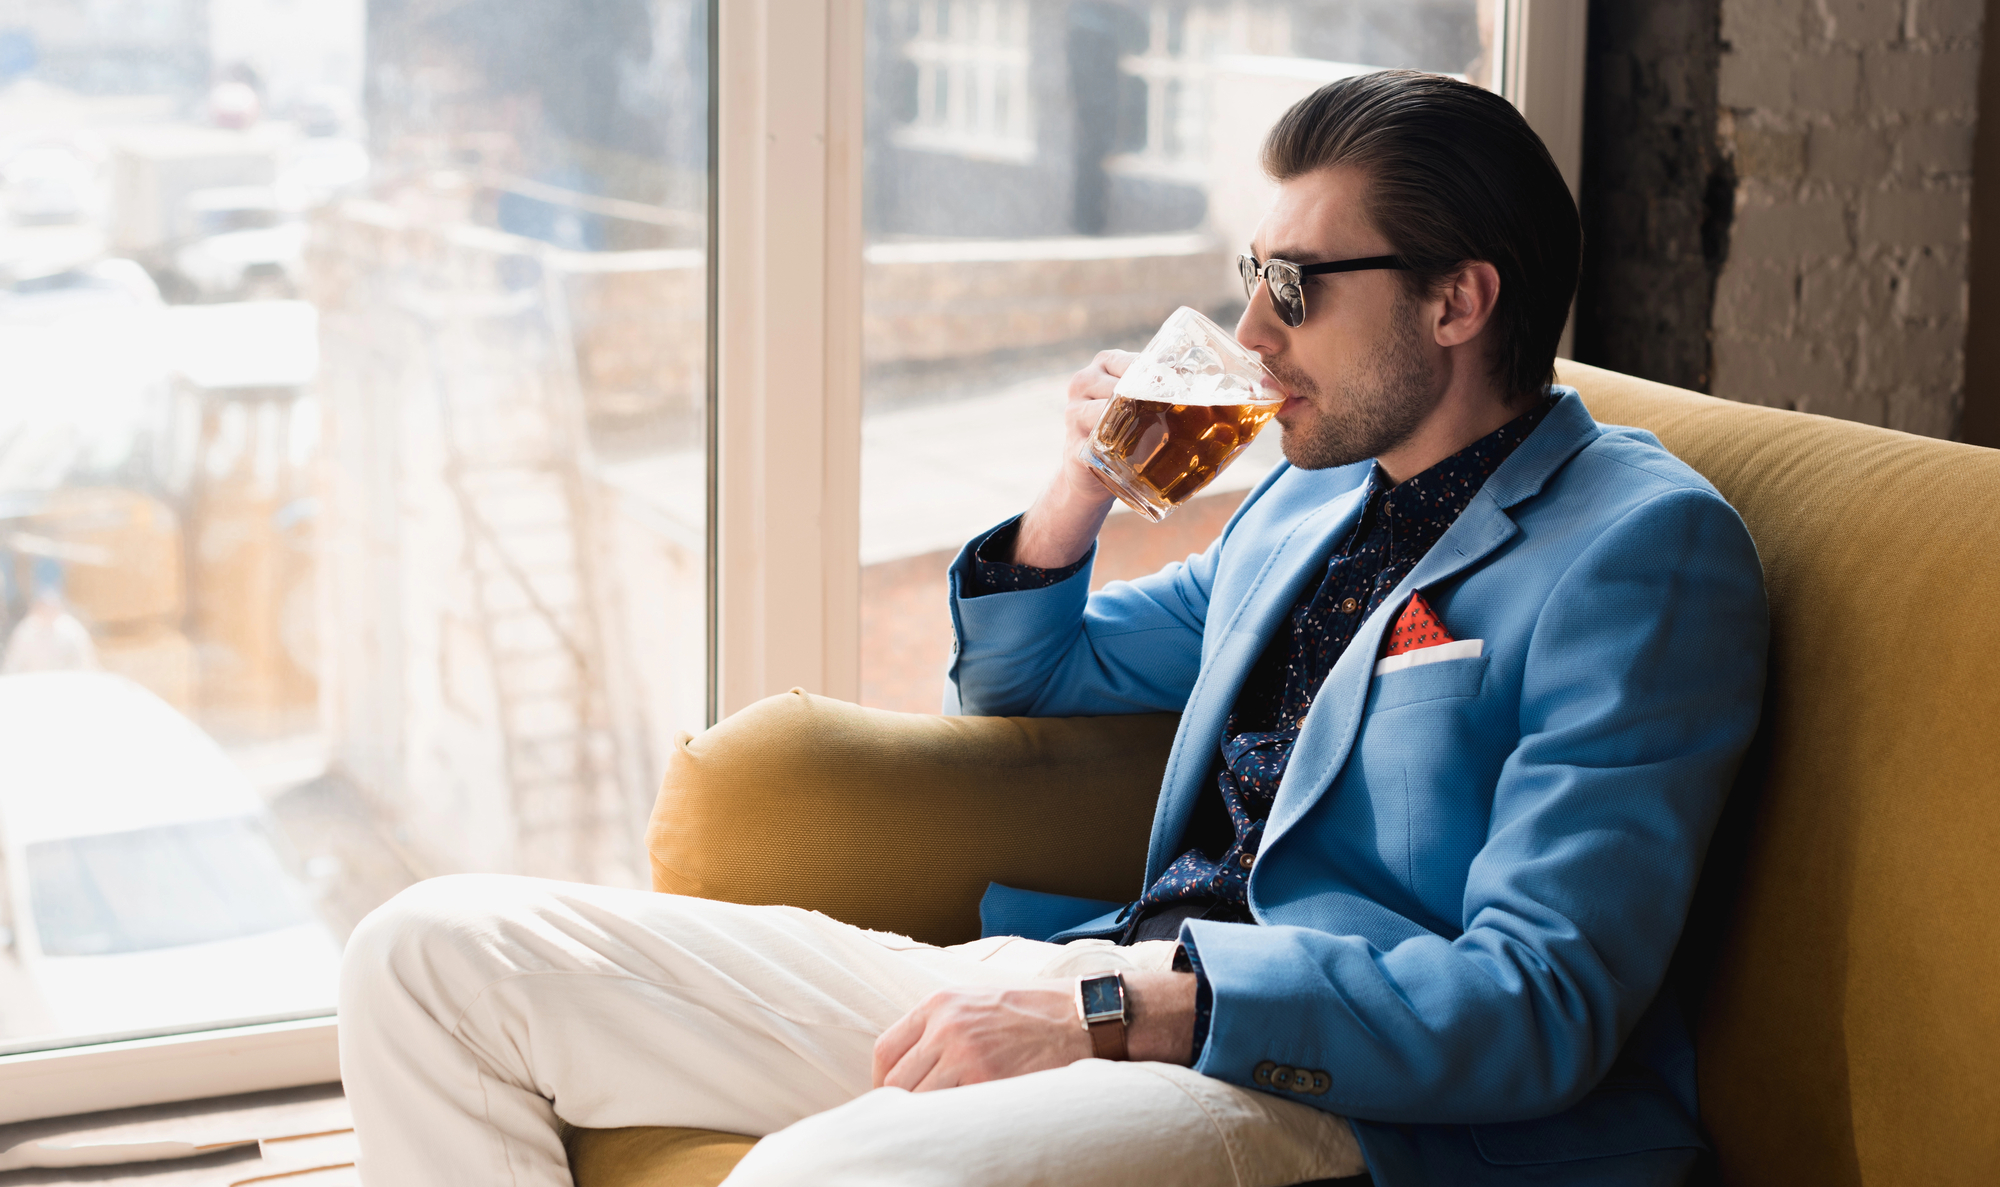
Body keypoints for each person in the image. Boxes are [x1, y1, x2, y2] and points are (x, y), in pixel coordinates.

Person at [339, 71, 1767, 1187]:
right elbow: (1034, 675)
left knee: (826, 1176)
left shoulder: (1637, 552)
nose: (1250, 338)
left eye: (1295, 288)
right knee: (434, 954)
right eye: (1246, 276)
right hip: (1093, 979)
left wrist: (1127, 1008)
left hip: (1323, 1093)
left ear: (1457, 300)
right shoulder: (1300, 508)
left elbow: (1538, 1001)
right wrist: (1079, 491)